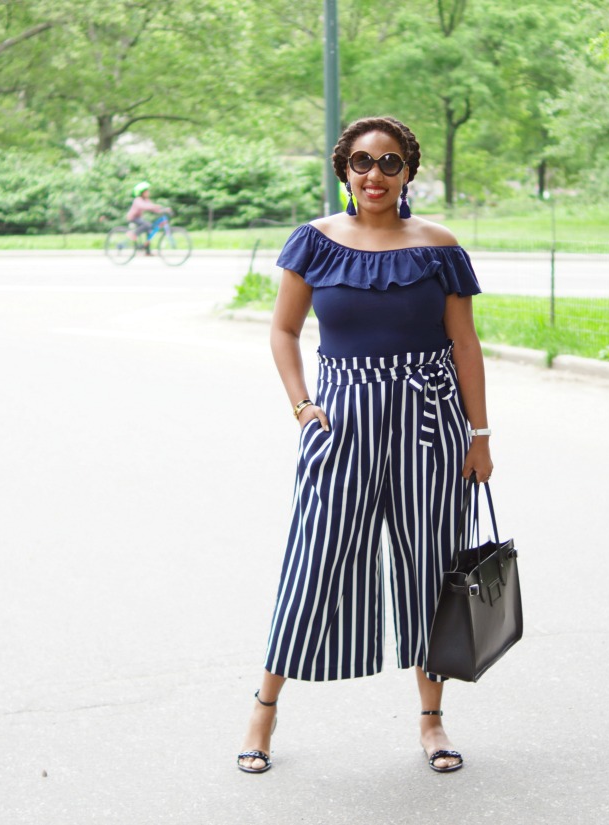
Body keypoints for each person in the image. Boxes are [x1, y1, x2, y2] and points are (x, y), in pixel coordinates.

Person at [236, 116, 494, 776]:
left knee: (431, 568)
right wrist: (302, 406)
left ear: (408, 171)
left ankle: (432, 720)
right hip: (341, 420)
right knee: (313, 558)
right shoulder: (315, 243)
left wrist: (480, 434)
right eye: (360, 162)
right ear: (343, 170)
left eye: (388, 162)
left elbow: (465, 345)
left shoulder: (438, 247)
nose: (373, 175)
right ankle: (263, 707)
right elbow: (283, 332)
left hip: (431, 422)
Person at [125, 181, 170, 253]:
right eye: (146, 191)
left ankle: (147, 251)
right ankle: (133, 234)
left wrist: (164, 210)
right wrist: (154, 206)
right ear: (142, 193)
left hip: (138, 218)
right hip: (132, 218)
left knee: (149, 230)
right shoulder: (138, 200)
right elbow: (145, 206)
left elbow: (154, 209)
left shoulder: (146, 200)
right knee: (147, 225)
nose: (148, 192)